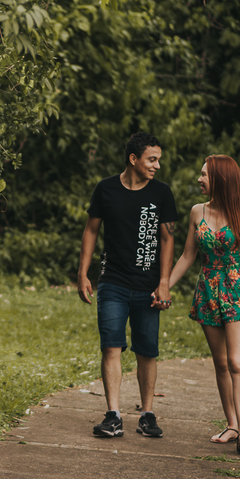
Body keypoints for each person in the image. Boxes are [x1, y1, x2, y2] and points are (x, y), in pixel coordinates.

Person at [78, 132, 178, 438]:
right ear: (133, 159)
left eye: (158, 160)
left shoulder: (162, 193)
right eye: (152, 159)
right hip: (113, 282)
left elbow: (168, 239)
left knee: (147, 350)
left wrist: (164, 283)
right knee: (111, 346)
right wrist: (83, 273)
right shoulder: (106, 189)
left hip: (148, 286)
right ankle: (113, 416)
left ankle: (147, 415)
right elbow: (91, 230)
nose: (157, 165)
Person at [166, 154, 240, 454]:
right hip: (208, 291)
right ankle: (232, 424)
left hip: (237, 290)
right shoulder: (197, 212)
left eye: (204, 175)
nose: (199, 179)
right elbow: (188, 255)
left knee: (237, 362)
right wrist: (163, 287)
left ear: (220, 179)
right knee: (221, 363)